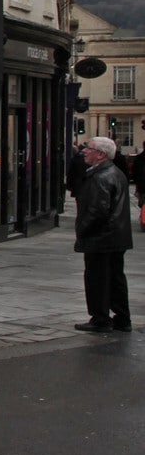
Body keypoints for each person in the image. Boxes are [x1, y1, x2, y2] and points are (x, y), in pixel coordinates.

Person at [74, 134, 132, 334]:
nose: (84, 151)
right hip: (116, 236)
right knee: (115, 278)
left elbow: (97, 210)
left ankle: (100, 318)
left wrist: (82, 230)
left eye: (89, 148)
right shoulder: (115, 173)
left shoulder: (101, 177)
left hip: (101, 237)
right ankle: (122, 318)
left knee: (97, 279)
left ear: (100, 154)